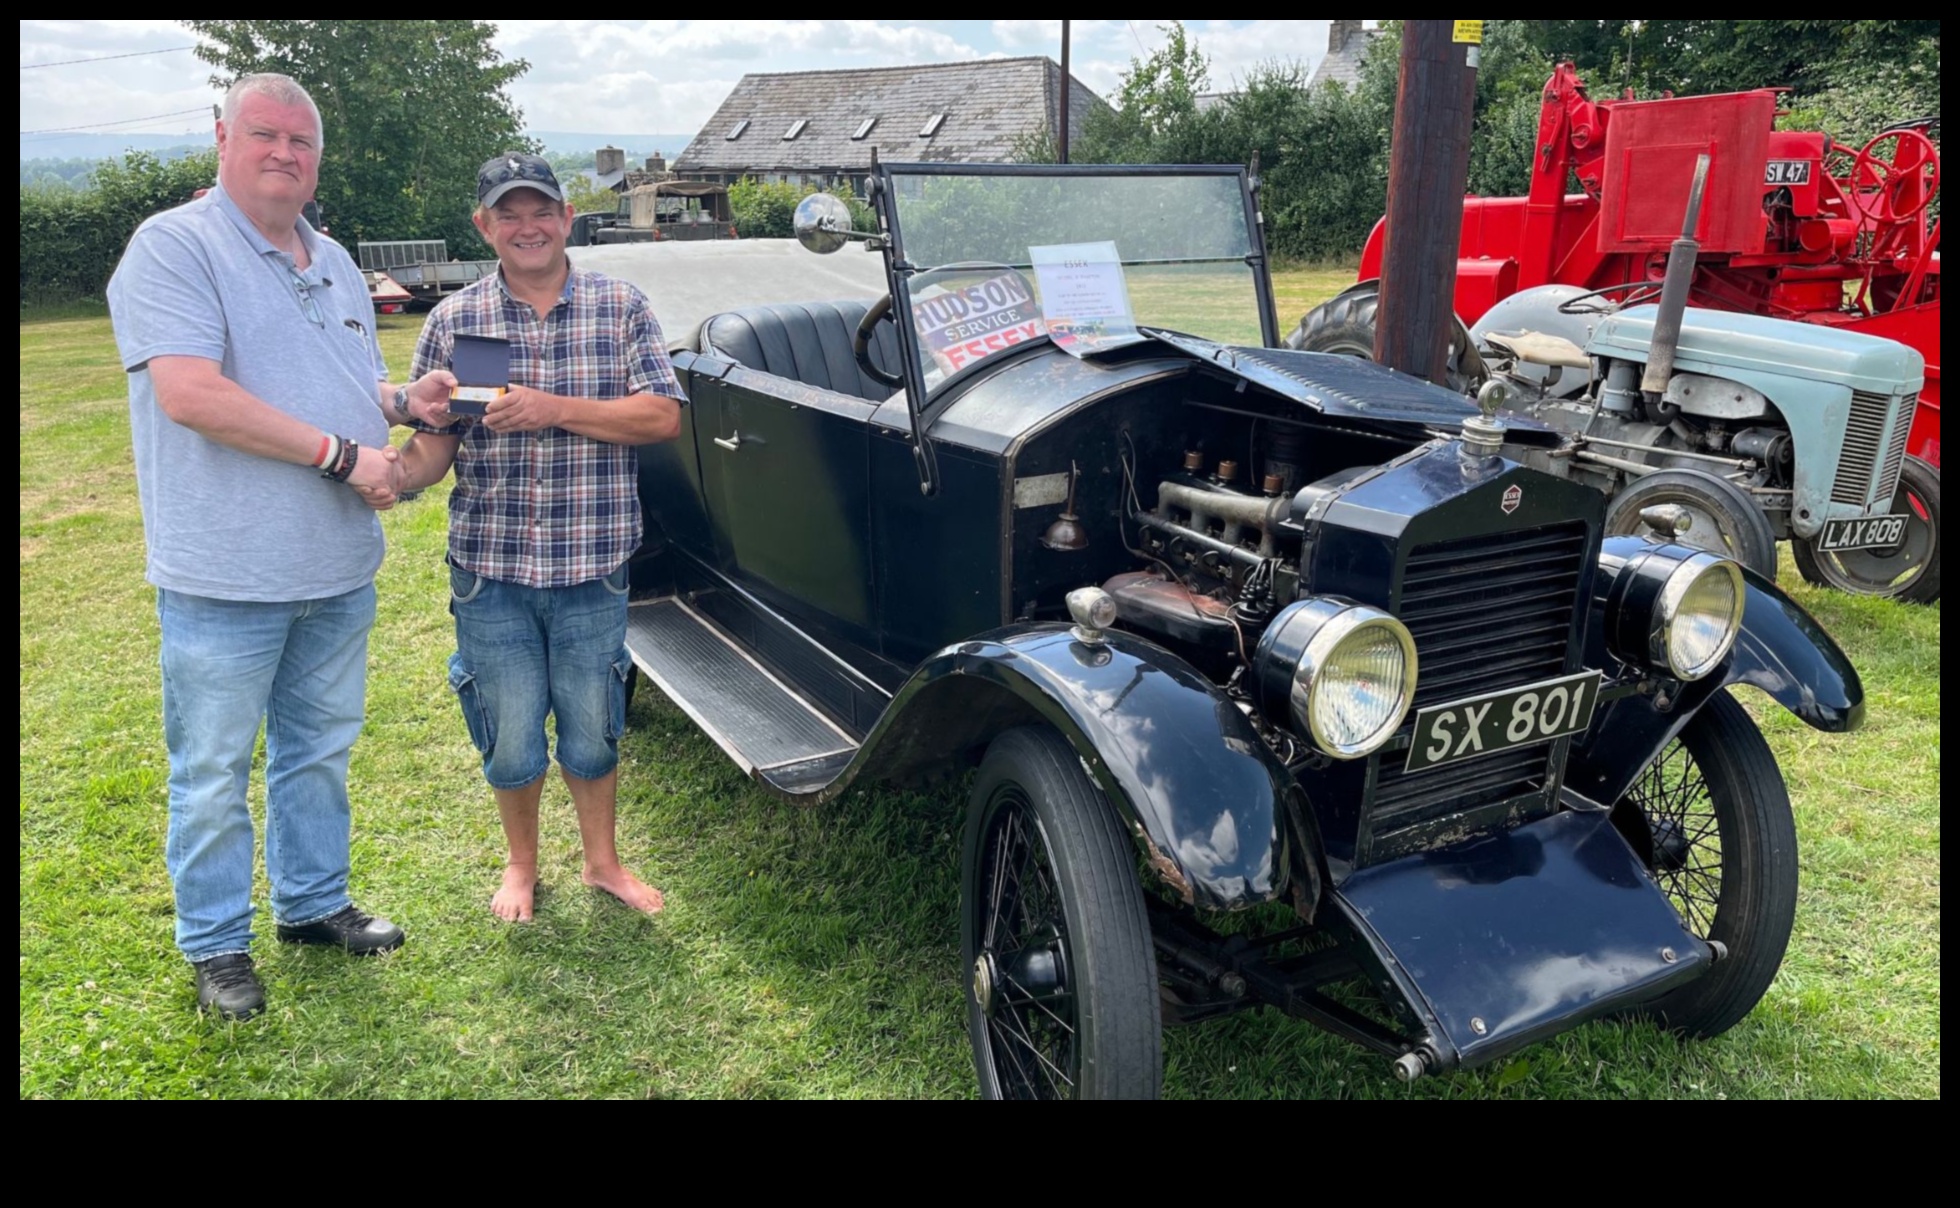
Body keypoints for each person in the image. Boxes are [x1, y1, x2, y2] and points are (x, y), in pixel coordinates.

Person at [107, 73, 457, 1022]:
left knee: (319, 750)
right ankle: (218, 945)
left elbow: (349, 375)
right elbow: (191, 393)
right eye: (265, 134)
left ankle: (311, 905)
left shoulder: (333, 258)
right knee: (214, 770)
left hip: (334, 568)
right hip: (225, 572)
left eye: (301, 143)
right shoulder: (173, 248)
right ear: (222, 136)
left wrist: (401, 404)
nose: (284, 154)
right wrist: (346, 457)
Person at [393, 153, 684, 923]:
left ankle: (601, 863)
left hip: (593, 565)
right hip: (491, 570)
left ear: (565, 219)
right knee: (512, 734)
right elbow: (437, 443)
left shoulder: (620, 306)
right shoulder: (458, 323)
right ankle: (521, 867)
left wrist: (552, 407)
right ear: (484, 226)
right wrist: (396, 474)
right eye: (509, 214)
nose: (529, 227)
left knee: (593, 728)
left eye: (541, 211)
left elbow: (661, 416)